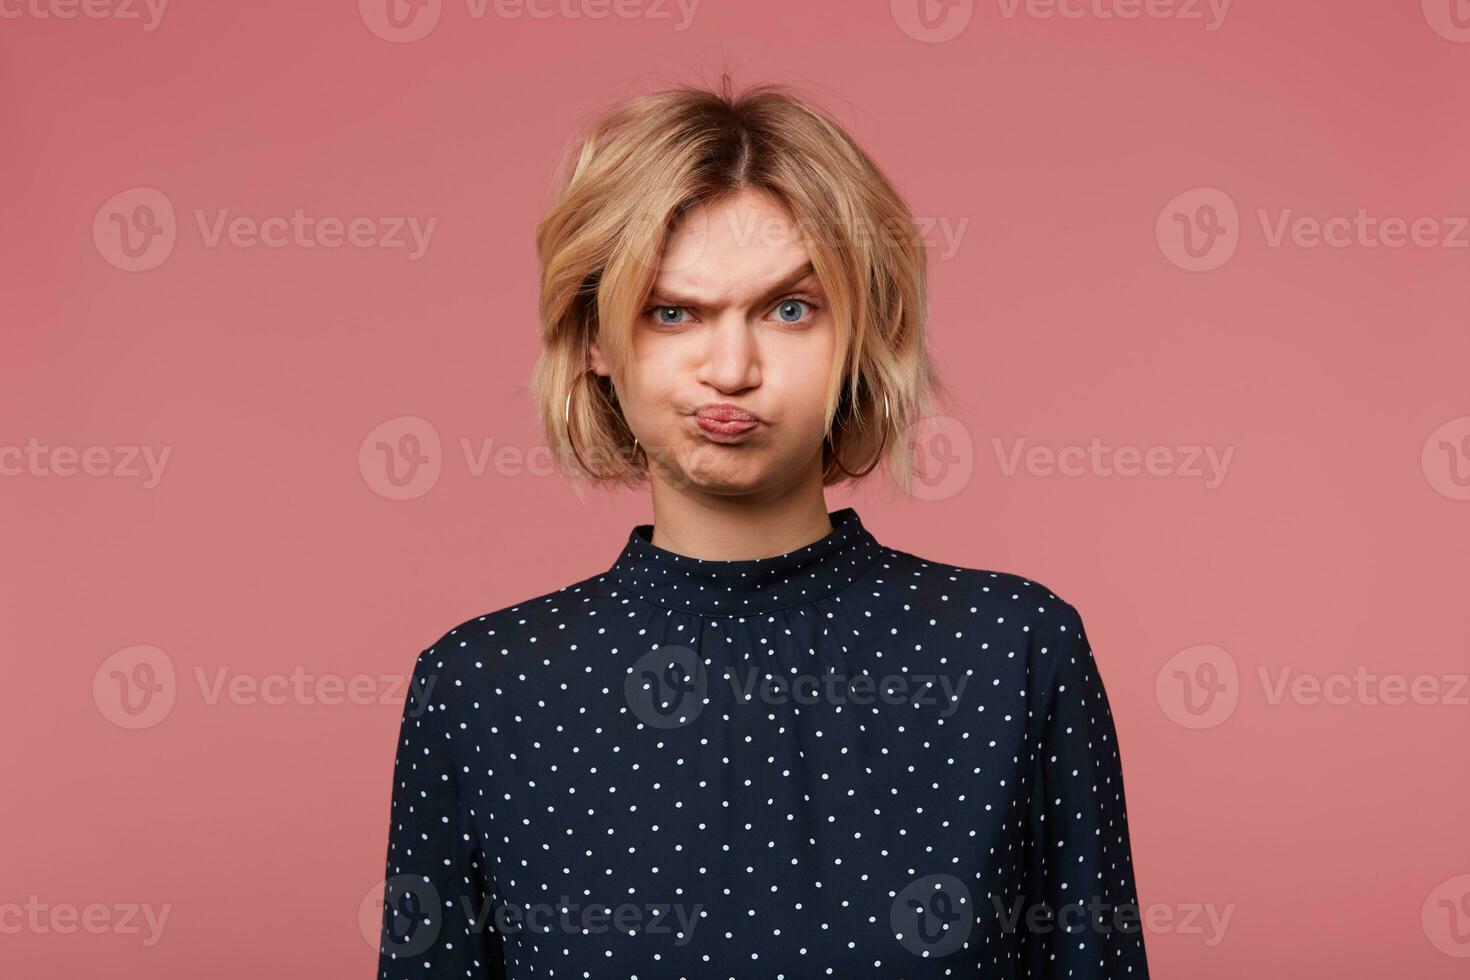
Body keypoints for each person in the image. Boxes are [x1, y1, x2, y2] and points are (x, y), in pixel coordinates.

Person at [375, 78, 1150, 978]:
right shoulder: (481, 687)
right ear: (594, 338)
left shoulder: (1013, 650)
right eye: (672, 312)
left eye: (790, 309)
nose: (732, 368)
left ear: (862, 332)